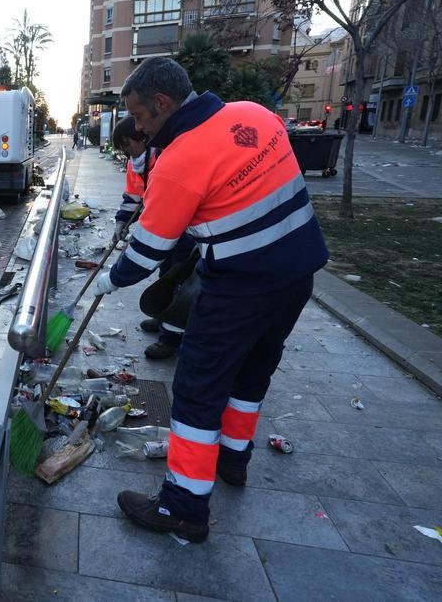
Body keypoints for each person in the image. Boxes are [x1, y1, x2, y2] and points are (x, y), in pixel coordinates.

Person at [91, 58, 328, 543]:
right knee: (251, 373)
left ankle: (183, 507)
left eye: (139, 117)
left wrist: (108, 282)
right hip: (298, 273)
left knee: (198, 390)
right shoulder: (256, 115)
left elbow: (150, 249)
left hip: (240, 286)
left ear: (161, 103)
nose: (137, 127)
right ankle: (233, 460)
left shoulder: (181, 158)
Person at [109, 116, 194, 360]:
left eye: (128, 144)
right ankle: (163, 316)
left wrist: (117, 277)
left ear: (142, 138)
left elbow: (164, 210)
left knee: (180, 279)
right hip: (165, 225)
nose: (126, 152)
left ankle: (171, 338)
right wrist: (121, 221)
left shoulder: (166, 158)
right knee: (166, 273)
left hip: (185, 228)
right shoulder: (135, 163)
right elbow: (133, 196)